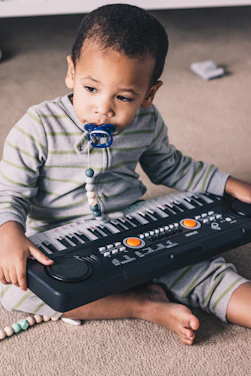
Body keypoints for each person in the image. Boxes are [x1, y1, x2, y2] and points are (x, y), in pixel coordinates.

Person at [0, 4, 251, 346]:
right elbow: (10, 193)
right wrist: (10, 232)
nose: (103, 108)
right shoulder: (38, 127)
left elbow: (170, 165)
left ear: (148, 94)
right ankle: (142, 305)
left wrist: (230, 183)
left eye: (123, 96)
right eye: (91, 89)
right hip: (60, 244)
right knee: (15, 290)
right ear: (71, 72)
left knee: (196, 263)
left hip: (133, 227)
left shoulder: (146, 121)